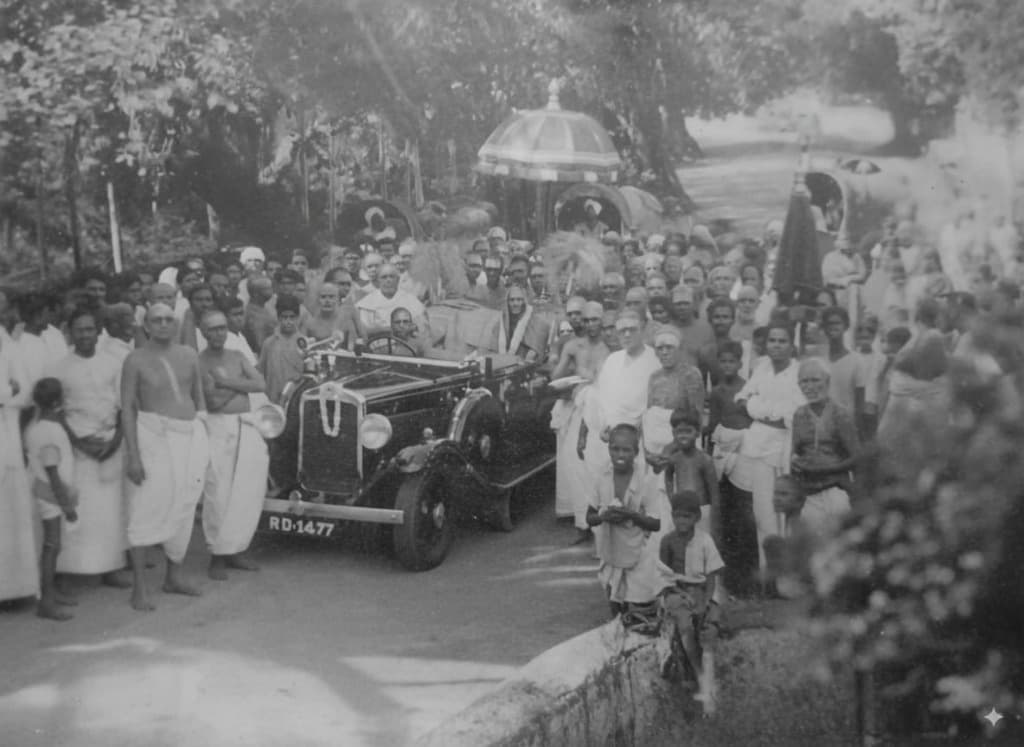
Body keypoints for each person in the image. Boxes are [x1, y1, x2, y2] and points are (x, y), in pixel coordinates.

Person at [121, 303, 209, 611]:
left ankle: (174, 577)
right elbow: (128, 408)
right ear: (146, 325)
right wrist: (133, 455)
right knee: (147, 506)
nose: (162, 324)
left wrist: (202, 435)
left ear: (175, 323)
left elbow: (198, 398)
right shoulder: (134, 360)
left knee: (184, 505)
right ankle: (140, 589)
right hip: (152, 437)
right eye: (156, 320)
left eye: (168, 319)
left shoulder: (188, 354)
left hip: (189, 436)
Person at [54, 309, 130, 587]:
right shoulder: (59, 367)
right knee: (80, 510)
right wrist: (79, 443)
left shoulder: (112, 364)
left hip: (110, 444)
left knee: (111, 510)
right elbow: (58, 412)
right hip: (77, 448)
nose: (85, 335)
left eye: (90, 329)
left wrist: (114, 442)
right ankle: (73, 571)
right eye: (79, 330)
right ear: (70, 333)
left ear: (98, 331)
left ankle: (110, 567)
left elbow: (123, 407)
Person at [199, 311, 269, 580]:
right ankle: (217, 554)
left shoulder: (238, 356)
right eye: (212, 329)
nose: (219, 333)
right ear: (204, 332)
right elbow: (213, 402)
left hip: (246, 425)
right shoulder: (200, 362)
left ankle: (237, 549)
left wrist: (226, 382)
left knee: (246, 491)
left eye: (222, 328)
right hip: (218, 427)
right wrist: (242, 386)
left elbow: (259, 383)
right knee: (219, 492)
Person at [730, 323, 804, 574]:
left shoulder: (797, 372)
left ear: (792, 345)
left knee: (785, 512)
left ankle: (788, 574)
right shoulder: (762, 367)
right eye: (772, 340)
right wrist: (761, 411)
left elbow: (791, 416)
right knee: (763, 513)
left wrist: (756, 408)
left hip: (786, 447)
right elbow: (740, 399)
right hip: (759, 448)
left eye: (782, 341)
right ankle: (770, 573)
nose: (776, 345)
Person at [586, 424, 663, 616]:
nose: (620, 454)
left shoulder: (645, 481)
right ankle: (617, 628)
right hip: (610, 549)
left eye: (626, 449)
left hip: (637, 552)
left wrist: (631, 514)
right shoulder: (601, 477)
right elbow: (589, 517)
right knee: (614, 601)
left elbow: (656, 523)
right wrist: (604, 516)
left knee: (637, 606)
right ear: (609, 448)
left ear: (636, 452)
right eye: (615, 448)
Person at [657, 490, 723, 709]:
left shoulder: (705, 541)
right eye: (677, 516)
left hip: (701, 590)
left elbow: (712, 575)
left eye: (686, 516)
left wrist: (704, 601)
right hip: (676, 591)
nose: (681, 521)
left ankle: (707, 685)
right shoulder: (667, 541)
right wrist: (678, 591)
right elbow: (664, 575)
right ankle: (698, 673)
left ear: (696, 518)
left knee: (707, 630)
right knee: (685, 626)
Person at [551, 301, 609, 537]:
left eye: (595, 319)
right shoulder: (573, 346)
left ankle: (604, 524)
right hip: (579, 405)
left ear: (602, 321)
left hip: (604, 409)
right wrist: (572, 376)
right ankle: (583, 524)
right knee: (575, 463)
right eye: (585, 320)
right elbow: (556, 377)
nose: (590, 324)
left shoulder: (610, 346)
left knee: (602, 464)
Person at [25, 378, 80, 620]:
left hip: (49, 492)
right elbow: (52, 470)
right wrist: (65, 503)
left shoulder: (37, 426)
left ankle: (51, 593)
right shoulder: (49, 431)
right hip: (51, 494)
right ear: (59, 401)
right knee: (52, 545)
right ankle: (46, 601)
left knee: (54, 545)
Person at [790, 358, 861, 538]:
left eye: (815, 380)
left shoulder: (840, 414)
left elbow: (857, 457)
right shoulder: (799, 415)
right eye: (804, 381)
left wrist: (827, 469)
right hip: (810, 494)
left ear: (827, 382)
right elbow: (797, 452)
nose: (810, 386)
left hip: (836, 491)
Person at [706, 341, 756, 595]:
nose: (727, 366)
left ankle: (745, 574)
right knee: (724, 512)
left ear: (739, 362)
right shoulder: (716, 392)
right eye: (722, 361)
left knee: (744, 512)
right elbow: (713, 425)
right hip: (722, 454)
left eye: (731, 361)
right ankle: (727, 576)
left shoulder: (748, 388)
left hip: (745, 454)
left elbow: (752, 421)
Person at [1, 327, 39, 605]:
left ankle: (13, 590)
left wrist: (8, 392)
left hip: (7, 435)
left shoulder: (5, 341)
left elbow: (23, 391)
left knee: (10, 512)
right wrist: (6, 389)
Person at [644, 327, 706, 458]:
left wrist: (671, 450)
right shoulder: (654, 377)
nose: (664, 352)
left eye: (669, 347)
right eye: (660, 349)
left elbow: (696, 418)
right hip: (655, 446)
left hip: (682, 447)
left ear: (679, 349)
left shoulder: (691, 374)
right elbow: (650, 415)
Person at [257, 295, 305, 404]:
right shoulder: (269, 343)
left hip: (295, 399)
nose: (288, 321)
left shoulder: (304, 343)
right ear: (278, 318)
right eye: (284, 317)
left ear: (298, 318)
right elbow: (261, 372)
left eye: (292, 317)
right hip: (273, 398)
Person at [820, 307, 864, 421]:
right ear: (824, 328)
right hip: (820, 424)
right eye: (829, 323)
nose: (833, 327)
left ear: (846, 326)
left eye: (837, 323)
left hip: (845, 425)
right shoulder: (819, 360)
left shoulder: (857, 361)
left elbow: (860, 401)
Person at [494, 285, 549, 362]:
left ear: (524, 301)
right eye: (512, 300)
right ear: (507, 302)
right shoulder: (502, 319)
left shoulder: (533, 319)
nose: (515, 303)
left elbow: (534, 350)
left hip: (524, 363)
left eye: (519, 300)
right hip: (503, 362)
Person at [300, 282, 360, 347]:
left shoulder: (347, 321)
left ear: (338, 299)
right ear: (317, 300)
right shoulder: (309, 324)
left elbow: (353, 349)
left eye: (331, 297)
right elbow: (301, 348)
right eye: (323, 297)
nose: (327, 301)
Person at [243, 276, 277, 353]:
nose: (271, 291)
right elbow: (260, 345)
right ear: (255, 294)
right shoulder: (252, 315)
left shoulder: (265, 307)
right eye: (267, 289)